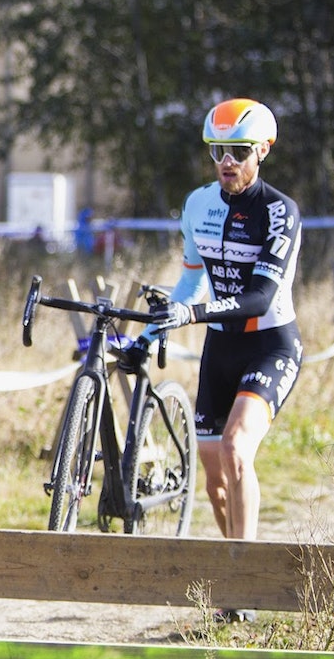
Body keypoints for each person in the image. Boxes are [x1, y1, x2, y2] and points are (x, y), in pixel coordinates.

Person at [124, 98, 303, 617]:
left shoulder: (279, 212)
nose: (227, 161)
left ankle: (242, 589)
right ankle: (237, 569)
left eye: (239, 151)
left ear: (262, 151)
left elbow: (260, 298)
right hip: (220, 347)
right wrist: (151, 330)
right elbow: (190, 281)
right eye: (217, 151)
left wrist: (193, 314)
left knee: (236, 449)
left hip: (269, 343)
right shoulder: (198, 204)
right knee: (214, 480)